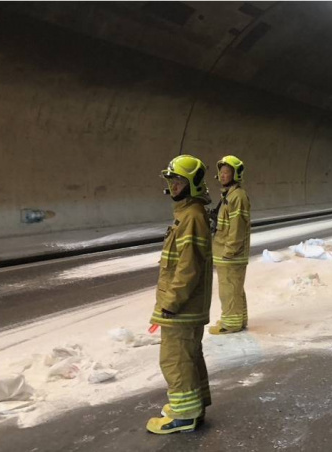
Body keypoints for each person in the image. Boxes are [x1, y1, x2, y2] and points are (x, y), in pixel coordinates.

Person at [147, 155, 213, 434]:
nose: (174, 186)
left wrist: (170, 303)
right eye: (171, 181)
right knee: (188, 355)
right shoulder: (188, 215)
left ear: (193, 184)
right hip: (186, 305)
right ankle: (191, 405)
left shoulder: (192, 217)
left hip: (182, 306)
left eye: (179, 181)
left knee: (175, 359)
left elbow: (188, 268)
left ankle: (184, 416)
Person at [209, 155, 251, 335]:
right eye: (221, 172)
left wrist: (229, 251)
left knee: (229, 290)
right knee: (235, 288)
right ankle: (237, 319)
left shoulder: (237, 197)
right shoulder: (230, 195)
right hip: (226, 252)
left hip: (230, 254)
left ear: (236, 175)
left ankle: (230, 324)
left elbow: (237, 228)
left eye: (227, 172)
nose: (223, 175)